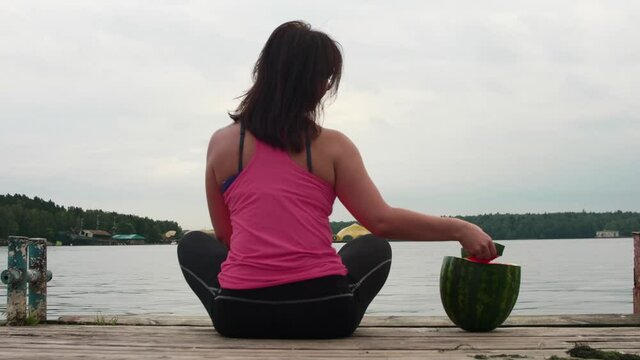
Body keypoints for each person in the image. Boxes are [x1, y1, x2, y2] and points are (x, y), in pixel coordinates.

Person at [177, 20, 496, 339]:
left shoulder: (221, 144)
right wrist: (460, 228)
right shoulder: (333, 146)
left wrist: (262, 270)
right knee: (374, 246)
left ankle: (237, 298)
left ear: (264, 71)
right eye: (327, 78)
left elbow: (225, 235)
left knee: (192, 244)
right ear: (316, 84)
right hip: (325, 312)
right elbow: (381, 221)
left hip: (239, 315)